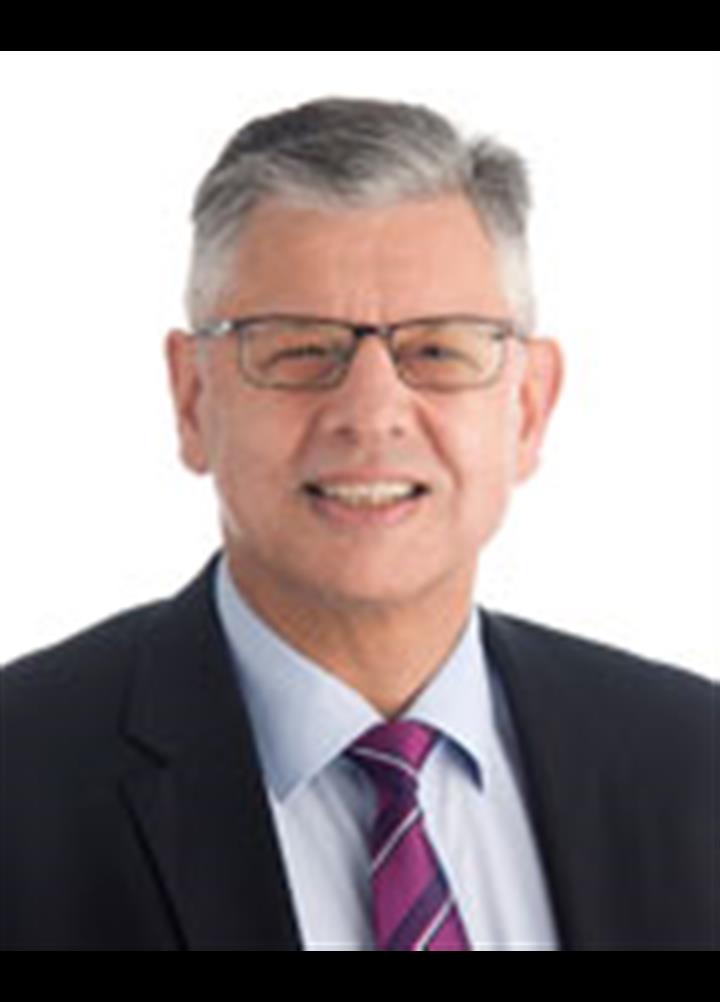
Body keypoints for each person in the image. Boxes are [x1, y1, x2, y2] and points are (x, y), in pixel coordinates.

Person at [1, 97, 716, 952]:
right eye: (300, 348)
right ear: (192, 399)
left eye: (438, 350)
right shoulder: (21, 778)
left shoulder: (693, 762)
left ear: (528, 408)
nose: (372, 413)